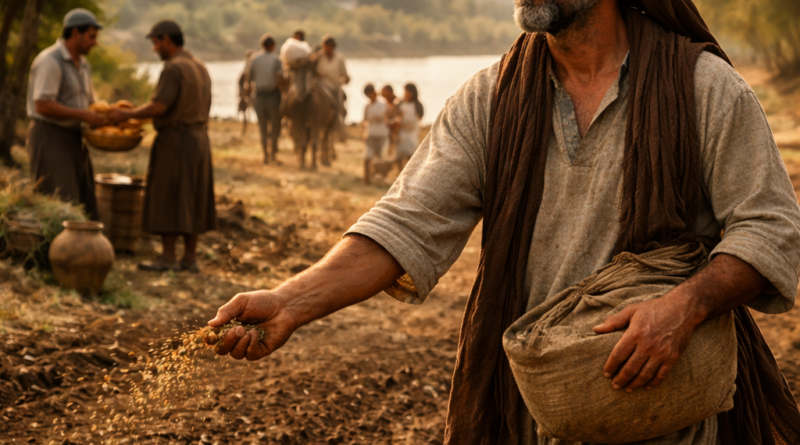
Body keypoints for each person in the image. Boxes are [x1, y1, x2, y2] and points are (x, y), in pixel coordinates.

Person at [206, 0, 800, 443]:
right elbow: (406, 222)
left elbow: (771, 230)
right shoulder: (489, 98)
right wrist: (289, 301)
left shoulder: (704, 89)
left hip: (665, 408)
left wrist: (685, 306)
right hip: (533, 409)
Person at [107, 20, 215, 273]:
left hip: (176, 140)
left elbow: (159, 107)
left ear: (166, 40)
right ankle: (189, 258)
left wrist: (126, 115)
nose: (155, 49)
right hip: (199, 139)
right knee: (194, 194)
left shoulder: (174, 68)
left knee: (168, 193)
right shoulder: (200, 67)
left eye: (156, 43)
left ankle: (168, 257)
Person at [26, 8, 105, 219]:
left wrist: (107, 114)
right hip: (49, 135)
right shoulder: (50, 61)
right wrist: (83, 115)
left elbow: (90, 104)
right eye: (91, 37)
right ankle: (53, 250)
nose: (95, 42)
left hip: (74, 137)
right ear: (75, 34)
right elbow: (42, 104)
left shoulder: (84, 65)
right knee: (58, 197)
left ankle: (77, 250)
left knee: (83, 196)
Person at [246, 34, 283, 164]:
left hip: (259, 96)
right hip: (273, 96)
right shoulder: (276, 60)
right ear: (272, 46)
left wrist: (248, 97)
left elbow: (248, 80)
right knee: (275, 126)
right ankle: (273, 154)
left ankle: (265, 156)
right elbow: (280, 80)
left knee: (262, 127)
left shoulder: (254, 59)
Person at [313, 35, 349, 141]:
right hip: (319, 86)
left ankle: (340, 131)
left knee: (339, 108)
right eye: (326, 46)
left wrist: (344, 80)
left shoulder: (339, 58)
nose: (328, 48)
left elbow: (345, 75)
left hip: (334, 87)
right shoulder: (317, 57)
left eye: (330, 46)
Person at [361, 84, 389, 185]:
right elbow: (364, 120)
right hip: (371, 134)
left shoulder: (382, 104)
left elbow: (383, 117)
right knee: (367, 158)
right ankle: (366, 178)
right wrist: (364, 131)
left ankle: (379, 179)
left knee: (381, 159)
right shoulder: (367, 106)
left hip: (381, 135)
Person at [394, 83, 423, 171]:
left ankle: (410, 174)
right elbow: (396, 116)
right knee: (398, 156)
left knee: (411, 156)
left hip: (412, 132)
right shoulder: (400, 103)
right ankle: (399, 174)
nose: (405, 93)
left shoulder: (418, 105)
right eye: (405, 91)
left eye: (407, 91)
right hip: (402, 132)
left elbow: (419, 118)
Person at [237, 49, 255, 136]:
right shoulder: (248, 66)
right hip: (248, 92)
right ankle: (244, 128)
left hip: (250, 92)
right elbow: (240, 81)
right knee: (244, 111)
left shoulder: (249, 66)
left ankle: (245, 128)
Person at [380, 85, 399, 157]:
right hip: (386, 128)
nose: (382, 94)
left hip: (394, 128)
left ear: (389, 92)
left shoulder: (396, 102)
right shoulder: (385, 102)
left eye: (383, 92)